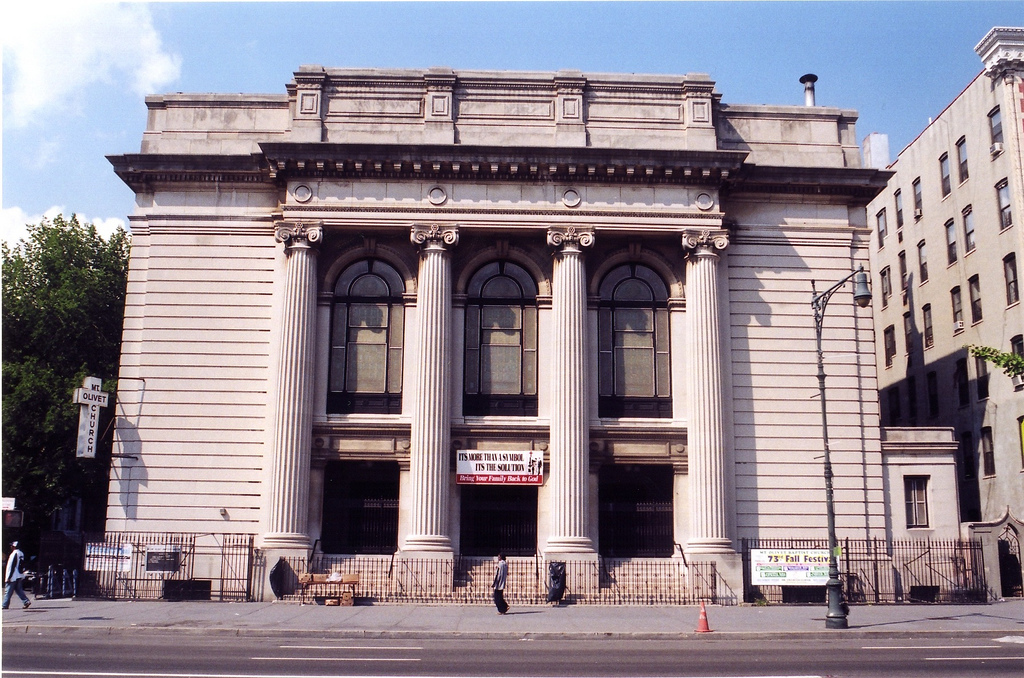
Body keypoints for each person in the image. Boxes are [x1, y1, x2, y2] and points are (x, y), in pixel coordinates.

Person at [3, 541, 31, 610]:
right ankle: (26, 601)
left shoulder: (14, 554)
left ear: (14, 546)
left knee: (8, 591)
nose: (10, 547)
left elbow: (12, 566)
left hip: (13, 575)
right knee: (19, 590)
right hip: (19, 574)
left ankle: (4, 605)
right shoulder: (21, 553)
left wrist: (9, 577)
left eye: (11, 546)